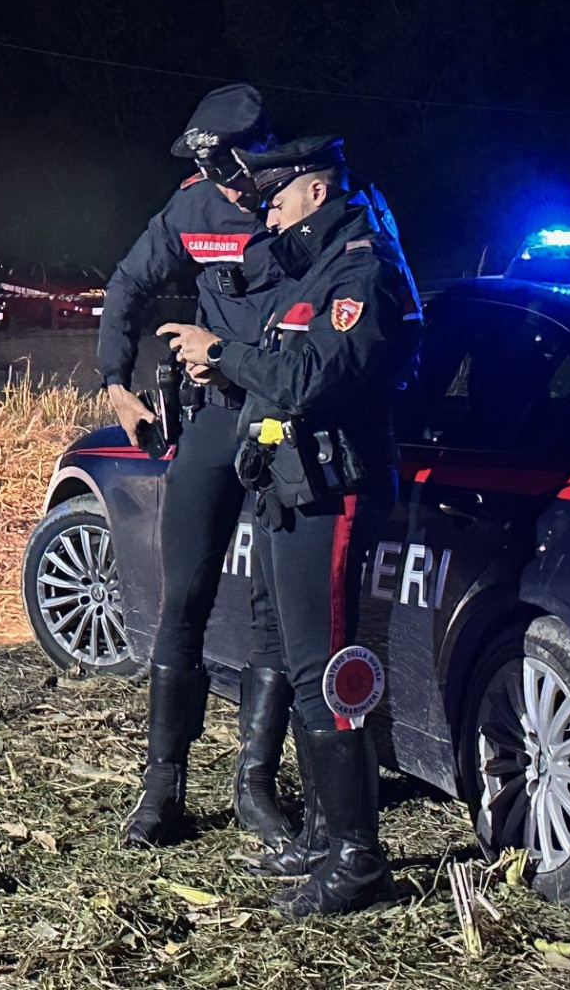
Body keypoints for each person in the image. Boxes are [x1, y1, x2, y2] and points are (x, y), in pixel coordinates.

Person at [158, 135, 422, 916]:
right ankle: (321, 835)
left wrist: (224, 352)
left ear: (315, 190)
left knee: (324, 676)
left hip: (332, 491)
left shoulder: (363, 270)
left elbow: (310, 377)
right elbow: (281, 365)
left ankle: (359, 864)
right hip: (290, 484)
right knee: (284, 652)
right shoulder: (317, 269)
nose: (267, 212)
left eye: (276, 197)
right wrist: (227, 361)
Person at [96, 83, 300, 851]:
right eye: (214, 173)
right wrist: (116, 385)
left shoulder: (312, 207)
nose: (229, 187)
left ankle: (255, 784)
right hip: (216, 417)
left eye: (236, 170)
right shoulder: (193, 207)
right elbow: (126, 285)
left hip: (286, 417)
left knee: (277, 608)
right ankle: (162, 791)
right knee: (185, 593)